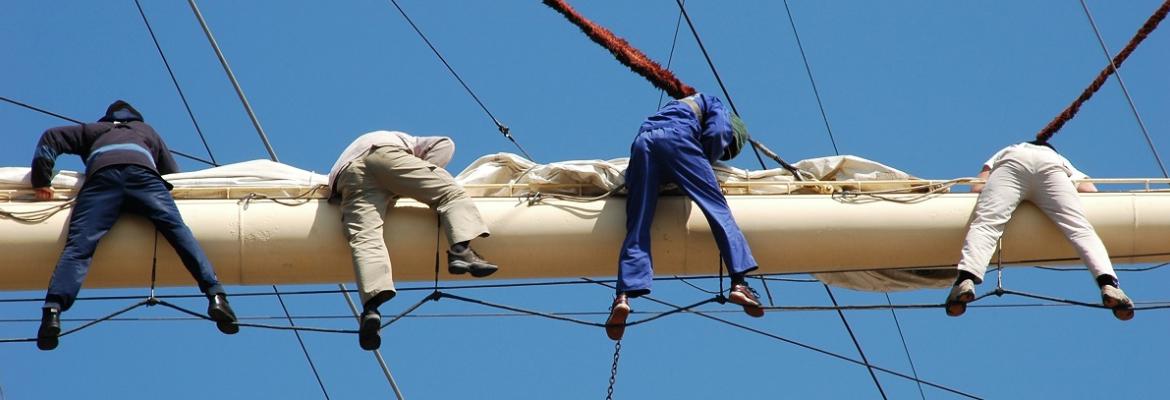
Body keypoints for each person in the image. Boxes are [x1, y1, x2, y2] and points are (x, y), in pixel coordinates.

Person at [31, 100, 239, 351]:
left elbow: (51, 137)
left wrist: (41, 179)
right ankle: (216, 296)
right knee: (179, 234)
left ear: (106, 120)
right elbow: (173, 174)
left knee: (79, 246)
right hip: (144, 178)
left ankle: (52, 312)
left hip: (102, 179)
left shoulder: (94, 131)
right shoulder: (147, 132)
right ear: (137, 120)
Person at [606, 93, 764, 341]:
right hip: (678, 142)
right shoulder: (714, 103)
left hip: (643, 145)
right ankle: (739, 283)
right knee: (718, 211)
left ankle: (623, 296)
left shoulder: (676, 106)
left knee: (637, 224)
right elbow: (716, 133)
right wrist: (701, 162)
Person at [329, 130, 497, 350]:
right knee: (449, 192)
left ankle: (371, 309)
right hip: (384, 157)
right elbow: (445, 145)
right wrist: (409, 184)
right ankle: (461, 251)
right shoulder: (415, 143)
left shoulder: (358, 145)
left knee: (365, 237)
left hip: (346, 175)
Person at [945, 140, 1134, 320]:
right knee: (1080, 230)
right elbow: (1089, 190)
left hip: (1011, 163)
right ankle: (1108, 284)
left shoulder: (1008, 150)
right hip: (1051, 167)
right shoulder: (1056, 156)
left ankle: (966, 279)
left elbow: (977, 187)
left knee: (987, 224)